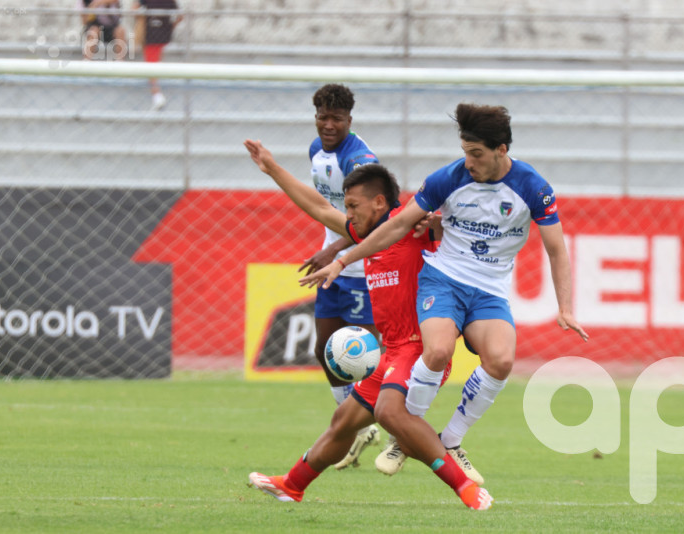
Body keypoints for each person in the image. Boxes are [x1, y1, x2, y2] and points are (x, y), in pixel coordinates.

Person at [300, 103, 589, 471]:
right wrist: (342, 259)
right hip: (445, 278)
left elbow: (556, 250)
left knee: (500, 361)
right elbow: (397, 225)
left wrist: (565, 307)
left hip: (490, 290)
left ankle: (449, 441)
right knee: (436, 351)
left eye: (477, 154)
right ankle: (404, 437)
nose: (468, 162)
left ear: (501, 150)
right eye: (465, 151)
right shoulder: (448, 178)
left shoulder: (533, 187)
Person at [243, 139, 492, 510]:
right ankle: (292, 486)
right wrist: (272, 169)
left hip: (420, 349)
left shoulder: (411, 226)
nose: (348, 215)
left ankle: (465, 488)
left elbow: (454, 231)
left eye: (354, 206)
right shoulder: (367, 236)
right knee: (343, 421)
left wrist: (438, 224)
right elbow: (318, 207)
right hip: (392, 351)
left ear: (379, 202)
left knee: (391, 413)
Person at [299, 84, 384, 470]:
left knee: (369, 358)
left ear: (350, 120)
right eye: (322, 117)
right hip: (336, 266)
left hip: (364, 266)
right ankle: (358, 428)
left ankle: (397, 431)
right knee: (324, 351)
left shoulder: (361, 162)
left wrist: (333, 251)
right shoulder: (317, 151)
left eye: (336, 118)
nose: (328, 124)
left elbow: (371, 224)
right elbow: (329, 210)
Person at [133, 0, 182, 111]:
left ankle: (157, 95)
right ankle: (157, 93)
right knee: (154, 63)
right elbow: (180, 16)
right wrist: (169, 28)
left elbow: (134, 10)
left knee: (151, 66)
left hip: (151, 36)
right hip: (162, 35)